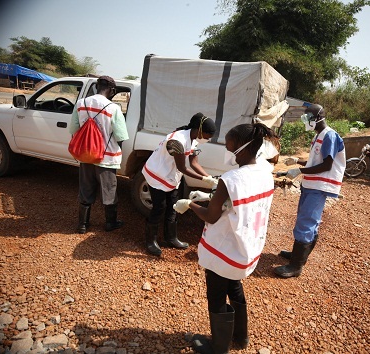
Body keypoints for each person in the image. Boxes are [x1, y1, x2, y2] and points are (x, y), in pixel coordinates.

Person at [173, 123, 276, 354]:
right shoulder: (264, 172)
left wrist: (190, 204)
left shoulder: (231, 179)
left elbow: (211, 215)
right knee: (235, 287)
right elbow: (237, 204)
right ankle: (241, 338)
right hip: (246, 250)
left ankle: (218, 347)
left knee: (217, 296)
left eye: (230, 148)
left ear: (245, 149)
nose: (228, 153)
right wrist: (213, 193)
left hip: (224, 251)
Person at [274, 104, 346, 278]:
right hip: (311, 185)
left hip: (319, 187)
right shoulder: (319, 136)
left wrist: (300, 171)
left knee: (306, 222)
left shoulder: (329, 135)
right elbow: (315, 163)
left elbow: (327, 165)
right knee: (306, 219)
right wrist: (297, 162)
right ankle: (299, 255)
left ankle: (296, 266)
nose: (306, 120)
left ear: (318, 117)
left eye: (308, 117)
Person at [142, 112, 218, 257]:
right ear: (199, 129)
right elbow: (182, 168)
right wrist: (204, 180)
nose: (208, 139)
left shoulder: (194, 138)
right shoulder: (177, 141)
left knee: (174, 206)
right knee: (160, 207)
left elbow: (194, 163)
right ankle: (150, 241)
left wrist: (208, 177)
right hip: (157, 174)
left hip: (170, 176)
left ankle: (171, 238)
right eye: (208, 136)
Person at [69, 75, 129, 234]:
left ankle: (82, 224)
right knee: (109, 191)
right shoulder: (114, 108)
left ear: (96, 87)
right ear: (111, 90)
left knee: (86, 189)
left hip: (86, 155)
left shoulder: (81, 103)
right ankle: (110, 223)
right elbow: (121, 136)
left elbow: (73, 129)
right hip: (106, 158)